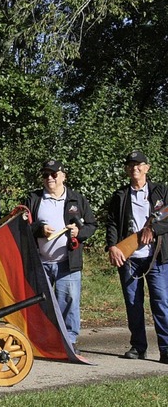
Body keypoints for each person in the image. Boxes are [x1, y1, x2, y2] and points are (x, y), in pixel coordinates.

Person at [25, 160, 96, 354]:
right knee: (39, 302)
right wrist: (39, 230)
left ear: (63, 176)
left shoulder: (77, 200)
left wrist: (78, 233)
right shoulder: (34, 199)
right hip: (40, 262)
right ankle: (41, 341)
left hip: (68, 262)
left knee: (69, 301)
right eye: (46, 174)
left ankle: (69, 340)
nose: (49, 178)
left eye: (54, 174)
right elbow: (22, 226)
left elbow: (91, 225)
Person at [106, 151, 168, 364]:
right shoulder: (120, 195)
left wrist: (154, 227)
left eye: (139, 164)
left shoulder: (161, 191)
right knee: (133, 303)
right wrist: (112, 247)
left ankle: (166, 349)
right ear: (126, 169)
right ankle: (138, 346)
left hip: (157, 257)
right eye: (131, 165)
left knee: (161, 303)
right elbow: (112, 223)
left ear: (147, 168)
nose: (135, 168)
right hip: (129, 257)